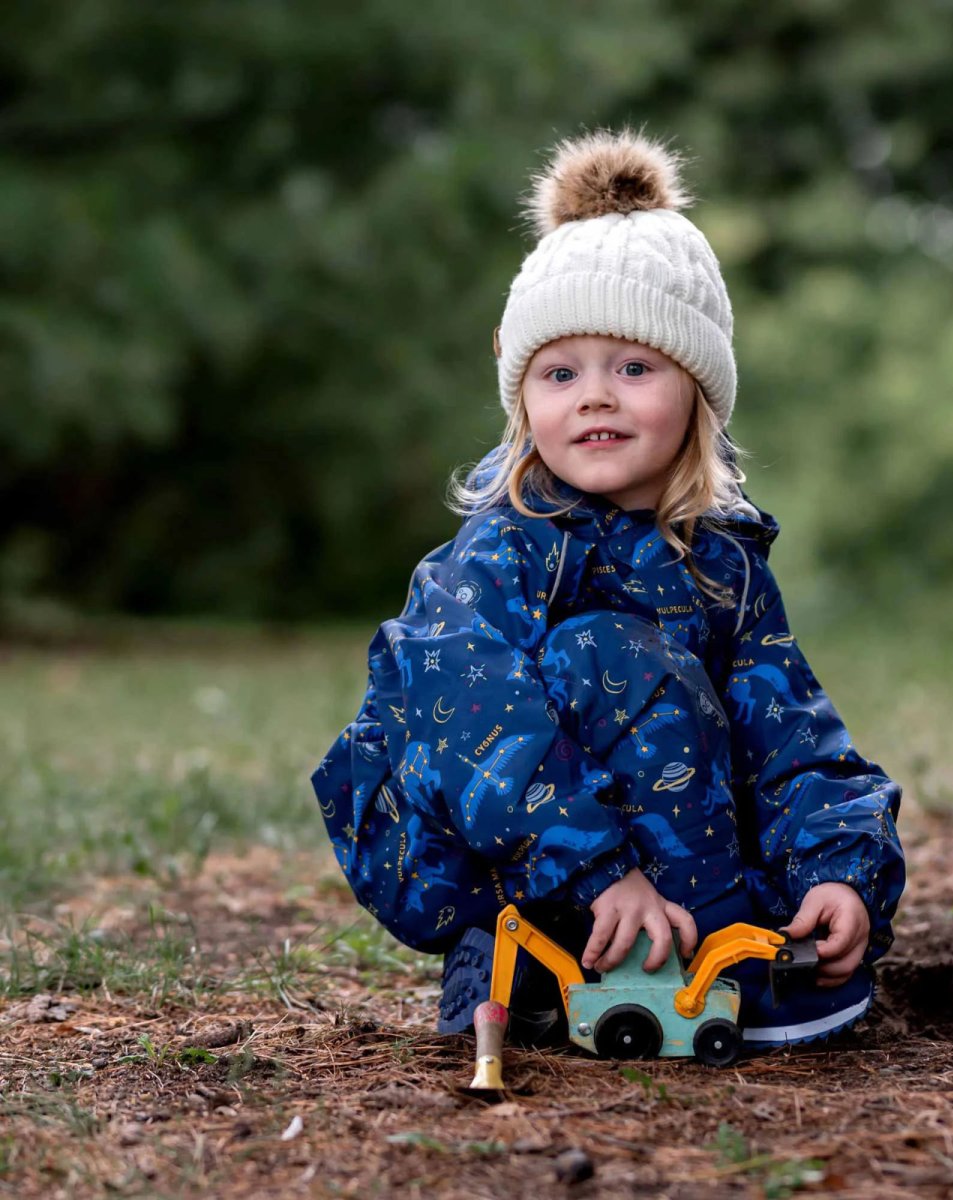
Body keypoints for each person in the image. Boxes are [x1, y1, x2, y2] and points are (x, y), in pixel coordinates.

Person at [312, 127, 904, 1048]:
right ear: (525, 400)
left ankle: (616, 951)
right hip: (466, 840)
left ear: (697, 395)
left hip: (633, 848)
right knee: (608, 657)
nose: (594, 397)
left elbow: (792, 734)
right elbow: (471, 718)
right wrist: (596, 871)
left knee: (725, 703)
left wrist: (840, 867)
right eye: (560, 373)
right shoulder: (503, 547)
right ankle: (634, 946)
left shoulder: (725, 566)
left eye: (633, 368)